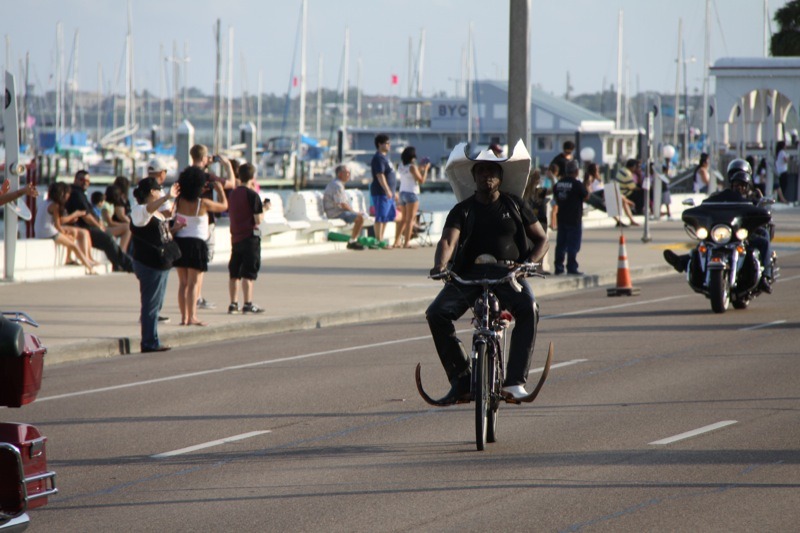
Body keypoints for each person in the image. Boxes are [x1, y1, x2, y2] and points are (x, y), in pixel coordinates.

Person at [426, 159, 548, 403]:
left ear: (500, 177)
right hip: (468, 275)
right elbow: (448, 242)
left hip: (508, 273)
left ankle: (514, 383)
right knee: (436, 313)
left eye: (492, 171)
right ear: (474, 177)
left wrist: (528, 264)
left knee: (529, 308)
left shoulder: (514, 204)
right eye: (481, 171)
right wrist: (440, 265)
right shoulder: (463, 209)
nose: (486, 176)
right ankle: (461, 380)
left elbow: (542, 239)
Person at [663, 158, 774, 292]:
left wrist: (762, 209)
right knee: (704, 243)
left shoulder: (754, 197)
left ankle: (765, 277)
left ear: (748, 182)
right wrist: (695, 211)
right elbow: (707, 205)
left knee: (764, 239)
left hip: (745, 233)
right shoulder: (722, 195)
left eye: (742, 183)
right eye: (735, 182)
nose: (738, 187)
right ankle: (683, 262)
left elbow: (762, 211)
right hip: (725, 232)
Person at [130, 177, 183, 353]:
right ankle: (149, 342)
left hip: (160, 263)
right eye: (158, 189)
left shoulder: (155, 212)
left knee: (156, 304)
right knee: (151, 304)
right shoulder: (139, 211)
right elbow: (147, 211)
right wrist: (167, 196)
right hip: (149, 263)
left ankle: (152, 339)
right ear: (152, 192)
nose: (160, 192)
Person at [172, 166, 228, 326]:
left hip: (180, 243)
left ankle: (184, 317)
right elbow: (224, 206)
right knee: (193, 284)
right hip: (197, 244)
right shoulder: (203, 203)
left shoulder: (179, 201)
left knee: (182, 284)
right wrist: (220, 190)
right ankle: (192, 317)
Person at [189, 144, 236, 310]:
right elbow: (231, 183)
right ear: (203, 158)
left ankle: (191, 297)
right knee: (201, 263)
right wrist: (227, 165)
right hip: (205, 222)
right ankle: (197, 298)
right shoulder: (208, 177)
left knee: (188, 266)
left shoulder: (185, 175)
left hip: (187, 221)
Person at [65, 170, 134, 272]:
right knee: (108, 240)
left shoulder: (80, 193)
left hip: (88, 227)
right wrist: (99, 226)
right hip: (85, 228)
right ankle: (128, 265)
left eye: (87, 181)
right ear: (75, 180)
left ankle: (123, 263)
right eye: (81, 180)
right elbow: (86, 216)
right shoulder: (76, 194)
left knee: (109, 240)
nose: (84, 182)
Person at [226, 163, 267, 315]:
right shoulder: (252, 195)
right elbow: (257, 220)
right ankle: (248, 304)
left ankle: (233, 303)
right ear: (252, 177)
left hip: (235, 237)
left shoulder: (233, 194)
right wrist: (265, 209)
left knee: (234, 272)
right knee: (248, 273)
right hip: (250, 238)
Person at [34, 182, 97, 275]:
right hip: (48, 232)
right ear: (61, 194)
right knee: (74, 245)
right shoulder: (55, 206)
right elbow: (57, 225)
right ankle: (89, 267)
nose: (68, 196)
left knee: (71, 235)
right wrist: (64, 233)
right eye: (67, 194)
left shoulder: (44, 203)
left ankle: (69, 258)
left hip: (40, 231)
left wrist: (65, 234)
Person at [552, 160, 589, 275]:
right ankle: (571, 267)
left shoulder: (558, 184)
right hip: (574, 219)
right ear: (577, 171)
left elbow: (556, 197)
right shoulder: (577, 184)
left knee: (561, 244)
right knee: (573, 245)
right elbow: (586, 196)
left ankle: (559, 267)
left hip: (561, 218)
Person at [322, 165, 366, 250]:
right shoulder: (337, 185)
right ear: (340, 174)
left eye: (349, 173)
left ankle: (353, 240)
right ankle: (352, 242)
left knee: (360, 216)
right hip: (335, 213)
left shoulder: (337, 184)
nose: (349, 175)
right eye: (347, 173)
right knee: (359, 218)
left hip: (337, 211)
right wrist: (354, 212)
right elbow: (342, 204)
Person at [394, 146, 430, 248]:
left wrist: (419, 169)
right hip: (412, 194)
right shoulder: (412, 167)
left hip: (402, 193)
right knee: (410, 220)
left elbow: (410, 173)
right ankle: (406, 243)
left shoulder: (400, 166)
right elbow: (421, 181)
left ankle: (396, 242)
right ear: (412, 156)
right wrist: (426, 169)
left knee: (403, 219)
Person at [369, 133, 397, 246]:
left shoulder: (386, 157)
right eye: (387, 143)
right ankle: (378, 240)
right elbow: (380, 175)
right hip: (381, 193)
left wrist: (393, 191)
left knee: (386, 216)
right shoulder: (378, 158)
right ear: (380, 144)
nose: (389, 145)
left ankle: (381, 238)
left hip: (389, 193)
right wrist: (387, 190)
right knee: (380, 216)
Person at [522, 168, 551, 275]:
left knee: (531, 246)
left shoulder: (525, 192)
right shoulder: (538, 192)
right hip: (539, 222)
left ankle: (531, 267)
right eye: (537, 178)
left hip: (530, 222)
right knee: (541, 245)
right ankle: (537, 268)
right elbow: (553, 189)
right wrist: (552, 178)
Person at [101, 185, 132, 253]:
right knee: (128, 228)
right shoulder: (105, 206)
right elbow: (109, 222)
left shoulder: (111, 205)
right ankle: (122, 252)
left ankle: (123, 251)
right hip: (104, 228)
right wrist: (124, 225)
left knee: (128, 227)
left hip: (107, 227)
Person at [612, 159, 641, 225]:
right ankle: (638, 211)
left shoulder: (622, 170)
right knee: (641, 194)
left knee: (625, 202)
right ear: (632, 167)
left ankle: (631, 220)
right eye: (636, 167)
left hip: (620, 192)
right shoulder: (627, 173)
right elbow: (633, 187)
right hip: (623, 192)